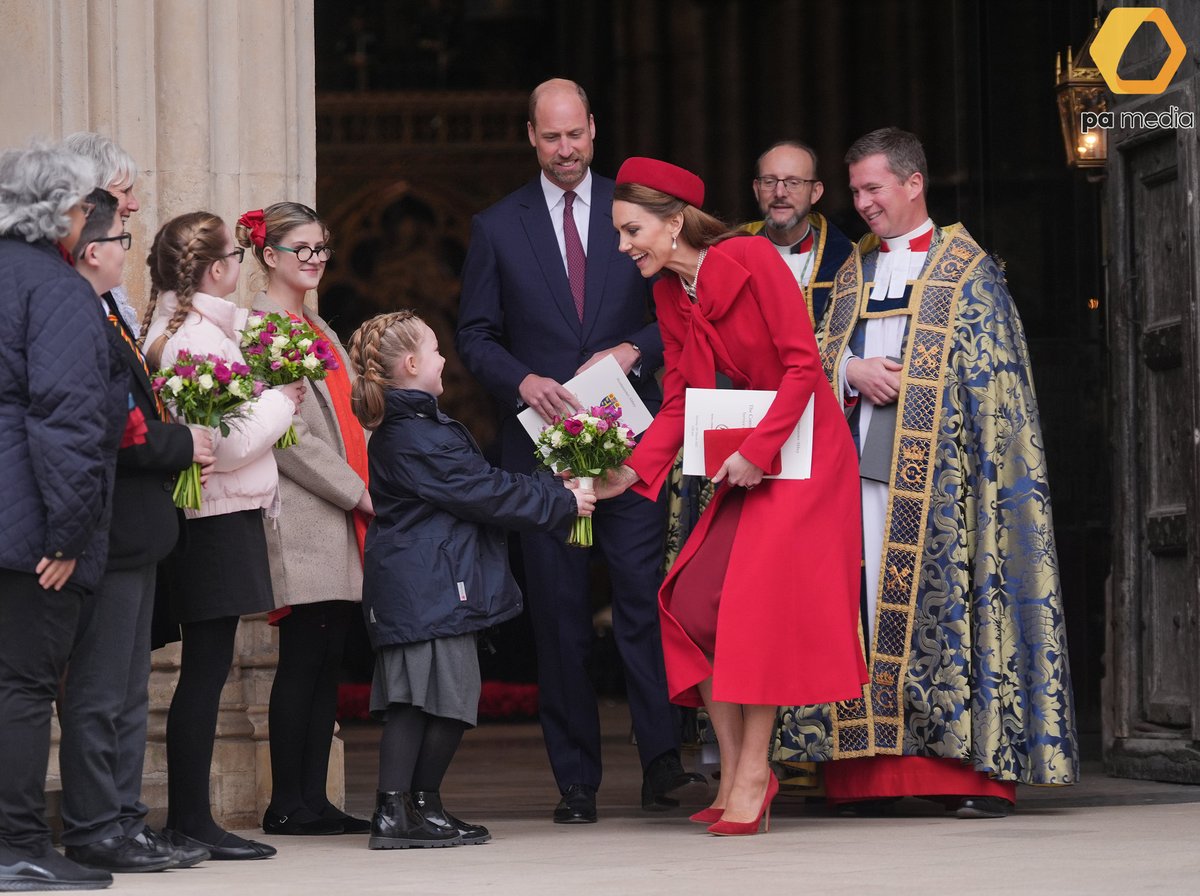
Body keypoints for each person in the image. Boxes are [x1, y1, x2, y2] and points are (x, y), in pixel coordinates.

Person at [810, 127, 1079, 818]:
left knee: (953, 614)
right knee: (864, 610)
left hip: (949, 485)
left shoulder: (969, 272)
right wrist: (850, 370)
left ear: (911, 183)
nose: (863, 204)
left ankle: (969, 772)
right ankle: (865, 774)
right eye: (856, 191)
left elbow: (996, 390)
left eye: (873, 189)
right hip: (859, 471)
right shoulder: (853, 274)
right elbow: (812, 358)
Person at [456, 78, 704, 824]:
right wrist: (522, 380)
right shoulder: (498, 226)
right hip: (541, 454)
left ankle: (663, 762)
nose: (566, 150)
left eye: (576, 135)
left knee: (642, 598)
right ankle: (576, 781)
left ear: (594, 130)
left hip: (636, 442)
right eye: (551, 137)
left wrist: (636, 347)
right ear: (531, 137)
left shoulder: (639, 216)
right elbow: (474, 335)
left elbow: (686, 305)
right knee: (559, 616)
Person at [598, 157, 869, 836]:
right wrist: (627, 473)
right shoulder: (668, 294)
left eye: (632, 230)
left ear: (671, 221)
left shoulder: (749, 256)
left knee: (753, 610)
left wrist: (757, 451)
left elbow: (805, 365)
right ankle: (737, 774)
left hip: (802, 456)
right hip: (748, 456)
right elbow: (680, 398)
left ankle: (751, 774)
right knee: (690, 603)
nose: (624, 244)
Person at [348, 310, 595, 848]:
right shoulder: (415, 432)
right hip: (426, 583)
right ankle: (399, 812)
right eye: (436, 351)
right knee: (428, 701)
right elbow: (482, 492)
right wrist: (563, 501)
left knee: (431, 699)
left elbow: (481, 482)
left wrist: (552, 486)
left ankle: (416, 807)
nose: (445, 360)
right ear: (412, 365)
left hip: (427, 579)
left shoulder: (414, 426)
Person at [57, 139, 214, 876]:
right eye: (120, 210)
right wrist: (181, 442)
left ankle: (123, 818)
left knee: (125, 691)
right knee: (99, 691)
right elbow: (112, 424)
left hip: (138, 529)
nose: (132, 224)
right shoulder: (74, 306)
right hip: (108, 526)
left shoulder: (106, 305)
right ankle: (98, 826)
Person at [142, 211, 305, 859]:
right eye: (237, 256)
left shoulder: (186, 327)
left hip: (213, 513)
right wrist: (281, 400)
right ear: (216, 269)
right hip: (213, 516)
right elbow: (228, 443)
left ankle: (192, 818)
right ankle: (191, 819)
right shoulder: (192, 340)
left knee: (208, 670)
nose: (242, 266)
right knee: (206, 672)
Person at [0, 144, 125, 892]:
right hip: (31, 527)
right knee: (21, 686)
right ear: (65, 215)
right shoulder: (57, 290)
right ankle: (16, 842)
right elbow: (69, 421)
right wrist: (69, 535)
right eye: (89, 207)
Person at [236, 202, 372, 836]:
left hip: (341, 509)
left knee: (328, 657)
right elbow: (284, 435)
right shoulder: (260, 328)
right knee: (303, 654)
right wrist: (355, 491)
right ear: (269, 256)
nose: (316, 260)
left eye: (322, 248)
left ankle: (313, 800)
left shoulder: (316, 323)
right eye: (303, 250)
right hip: (307, 510)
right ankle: (286, 802)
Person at [744, 140, 853, 334]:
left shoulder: (848, 259)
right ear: (756, 189)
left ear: (815, 192)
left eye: (793, 183)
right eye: (769, 181)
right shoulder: (730, 253)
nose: (780, 193)